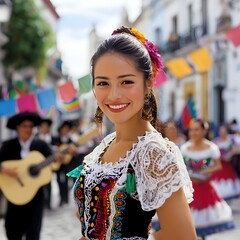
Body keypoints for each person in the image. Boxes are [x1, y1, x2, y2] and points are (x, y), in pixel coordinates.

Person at [67, 26, 197, 240]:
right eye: (103, 83)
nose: (114, 94)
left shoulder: (154, 154)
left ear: (148, 84)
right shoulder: (105, 146)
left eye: (126, 82)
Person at [0, 111, 58, 240]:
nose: (28, 129)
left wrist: (61, 157)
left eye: (30, 126)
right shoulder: (8, 145)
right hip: (14, 194)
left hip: (35, 197)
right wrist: (3, 168)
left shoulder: (41, 145)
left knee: (33, 233)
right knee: (12, 231)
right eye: (24, 126)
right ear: (18, 127)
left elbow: (54, 162)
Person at [180, 118, 235, 240]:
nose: (193, 133)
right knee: (188, 220)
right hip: (189, 189)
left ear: (204, 131)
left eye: (197, 130)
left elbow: (218, 166)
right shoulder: (184, 148)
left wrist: (205, 171)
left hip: (205, 188)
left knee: (203, 219)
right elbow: (181, 166)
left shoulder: (212, 148)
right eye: (191, 130)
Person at [211, 124, 240, 200]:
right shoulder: (216, 141)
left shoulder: (231, 140)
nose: (222, 133)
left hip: (228, 165)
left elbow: (236, 149)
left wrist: (229, 154)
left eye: (223, 131)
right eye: (221, 131)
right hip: (219, 164)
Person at [36, 118, 54, 209]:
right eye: (42, 126)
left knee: (48, 183)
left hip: (48, 164)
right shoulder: (36, 138)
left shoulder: (52, 138)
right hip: (38, 165)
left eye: (46, 126)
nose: (44, 128)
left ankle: (48, 203)